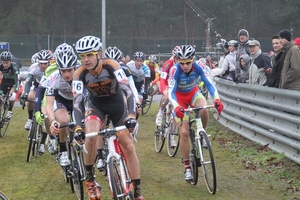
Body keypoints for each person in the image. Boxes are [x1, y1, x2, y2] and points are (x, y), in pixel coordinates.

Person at [72, 36, 145, 200]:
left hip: (117, 104)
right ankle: (90, 180)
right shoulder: (79, 73)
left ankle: (138, 192)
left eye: (89, 54)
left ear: (98, 53)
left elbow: (127, 91)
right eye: (82, 56)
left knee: (129, 147)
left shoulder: (112, 66)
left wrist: (132, 116)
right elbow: (77, 103)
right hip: (96, 106)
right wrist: (78, 127)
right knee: (90, 136)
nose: (86, 59)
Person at [168, 45, 224, 182]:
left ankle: (202, 134)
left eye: (188, 63)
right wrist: (176, 107)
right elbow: (171, 92)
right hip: (179, 99)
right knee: (185, 132)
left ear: (193, 60)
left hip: (193, 93)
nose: (185, 66)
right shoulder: (175, 70)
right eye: (182, 63)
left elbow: (210, 84)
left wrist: (217, 99)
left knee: (204, 108)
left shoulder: (199, 66)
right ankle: (187, 166)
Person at [94, 46, 140, 171]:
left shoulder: (124, 69)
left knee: (125, 108)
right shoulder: (97, 70)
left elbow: (131, 87)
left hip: (118, 97)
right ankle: (100, 158)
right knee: (101, 127)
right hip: (103, 99)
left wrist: (136, 101)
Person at [44, 43, 77, 167]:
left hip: (77, 101)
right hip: (61, 101)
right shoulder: (53, 79)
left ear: (75, 67)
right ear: (59, 70)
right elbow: (49, 104)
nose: (67, 74)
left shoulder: (82, 75)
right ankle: (63, 150)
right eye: (63, 71)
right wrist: (52, 120)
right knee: (63, 121)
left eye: (70, 70)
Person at [23, 50, 52, 131]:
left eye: (45, 63)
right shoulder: (34, 68)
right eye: (41, 63)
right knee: (30, 97)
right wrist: (25, 93)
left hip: (48, 88)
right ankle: (29, 119)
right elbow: (29, 81)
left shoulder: (52, 68)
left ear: (49, 62)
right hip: (37, 86)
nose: (42, 66)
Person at [155, 46, 179, 127]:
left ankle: (172, 137)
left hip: (176, 85)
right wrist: (165, 90)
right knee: (167, 97)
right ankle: (160, 112)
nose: (179, 60)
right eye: (177, 58)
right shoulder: (168, 64)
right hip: (166, 83)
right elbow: (162, 79)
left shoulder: (183, 64)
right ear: (174, 57)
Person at [0, 51, 19, 119]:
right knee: (0, 97)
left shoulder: (14, 67)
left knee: (12, 96)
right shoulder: (1, 66)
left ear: (10, 61)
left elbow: (17, 80)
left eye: (7, 63)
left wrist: (16, 90)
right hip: (5, 82)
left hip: (13, 82)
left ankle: (10, 110)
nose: (5, 65)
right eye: (3, 62)